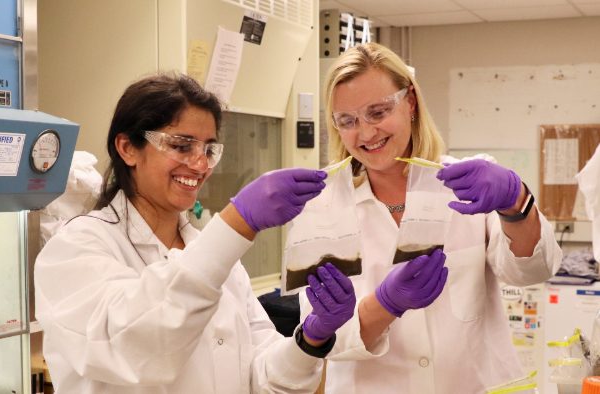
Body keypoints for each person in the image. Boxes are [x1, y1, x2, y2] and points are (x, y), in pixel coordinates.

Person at [34, 72, 363, 394]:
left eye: (208, 149)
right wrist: (237, 223)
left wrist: (311, 338)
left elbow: (263, 378)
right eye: (180, 146)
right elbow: (136, 347)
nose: (200, 164)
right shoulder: (76, 248)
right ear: (127, 148)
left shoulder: (219, 260)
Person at [309, 42, 563, 393]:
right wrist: (385, 305)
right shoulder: (320, 208)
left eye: (378, 112)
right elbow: (321, 340)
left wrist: (515, 201)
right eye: (347, 121)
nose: (366, 133)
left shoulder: (468, 182)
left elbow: (533, 270)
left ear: (410, 102)